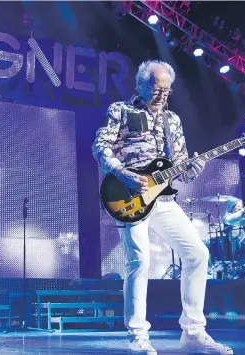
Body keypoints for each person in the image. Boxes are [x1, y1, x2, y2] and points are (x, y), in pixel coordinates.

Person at [92, 60, 232, 354]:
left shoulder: (173, 121)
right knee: (139, 261)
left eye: (167, 90)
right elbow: (100, 147)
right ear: (141, 85)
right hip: (129, 195)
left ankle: (193, 332)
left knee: (197, 254)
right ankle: (137, 336)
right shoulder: (121, 111)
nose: (162, 95)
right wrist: (123, 173)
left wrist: (194, 169)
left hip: (164, 200)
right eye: (156, 89)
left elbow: (180, 165)